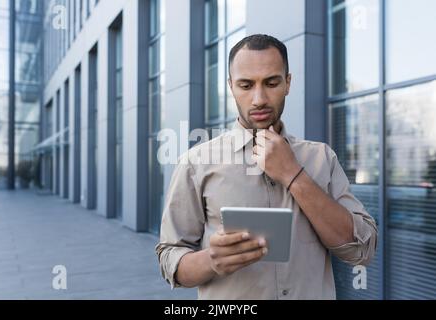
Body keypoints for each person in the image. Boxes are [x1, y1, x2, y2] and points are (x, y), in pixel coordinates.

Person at [155, 34, 377, 299]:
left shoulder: (321, 158)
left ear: (288, 83)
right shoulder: (196, 163)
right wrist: (211, 260)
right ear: (231, 86)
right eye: (246, 85)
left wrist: (293, 175)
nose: (259, 98)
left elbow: (361, 249)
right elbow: (170, 258)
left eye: (271, 83)